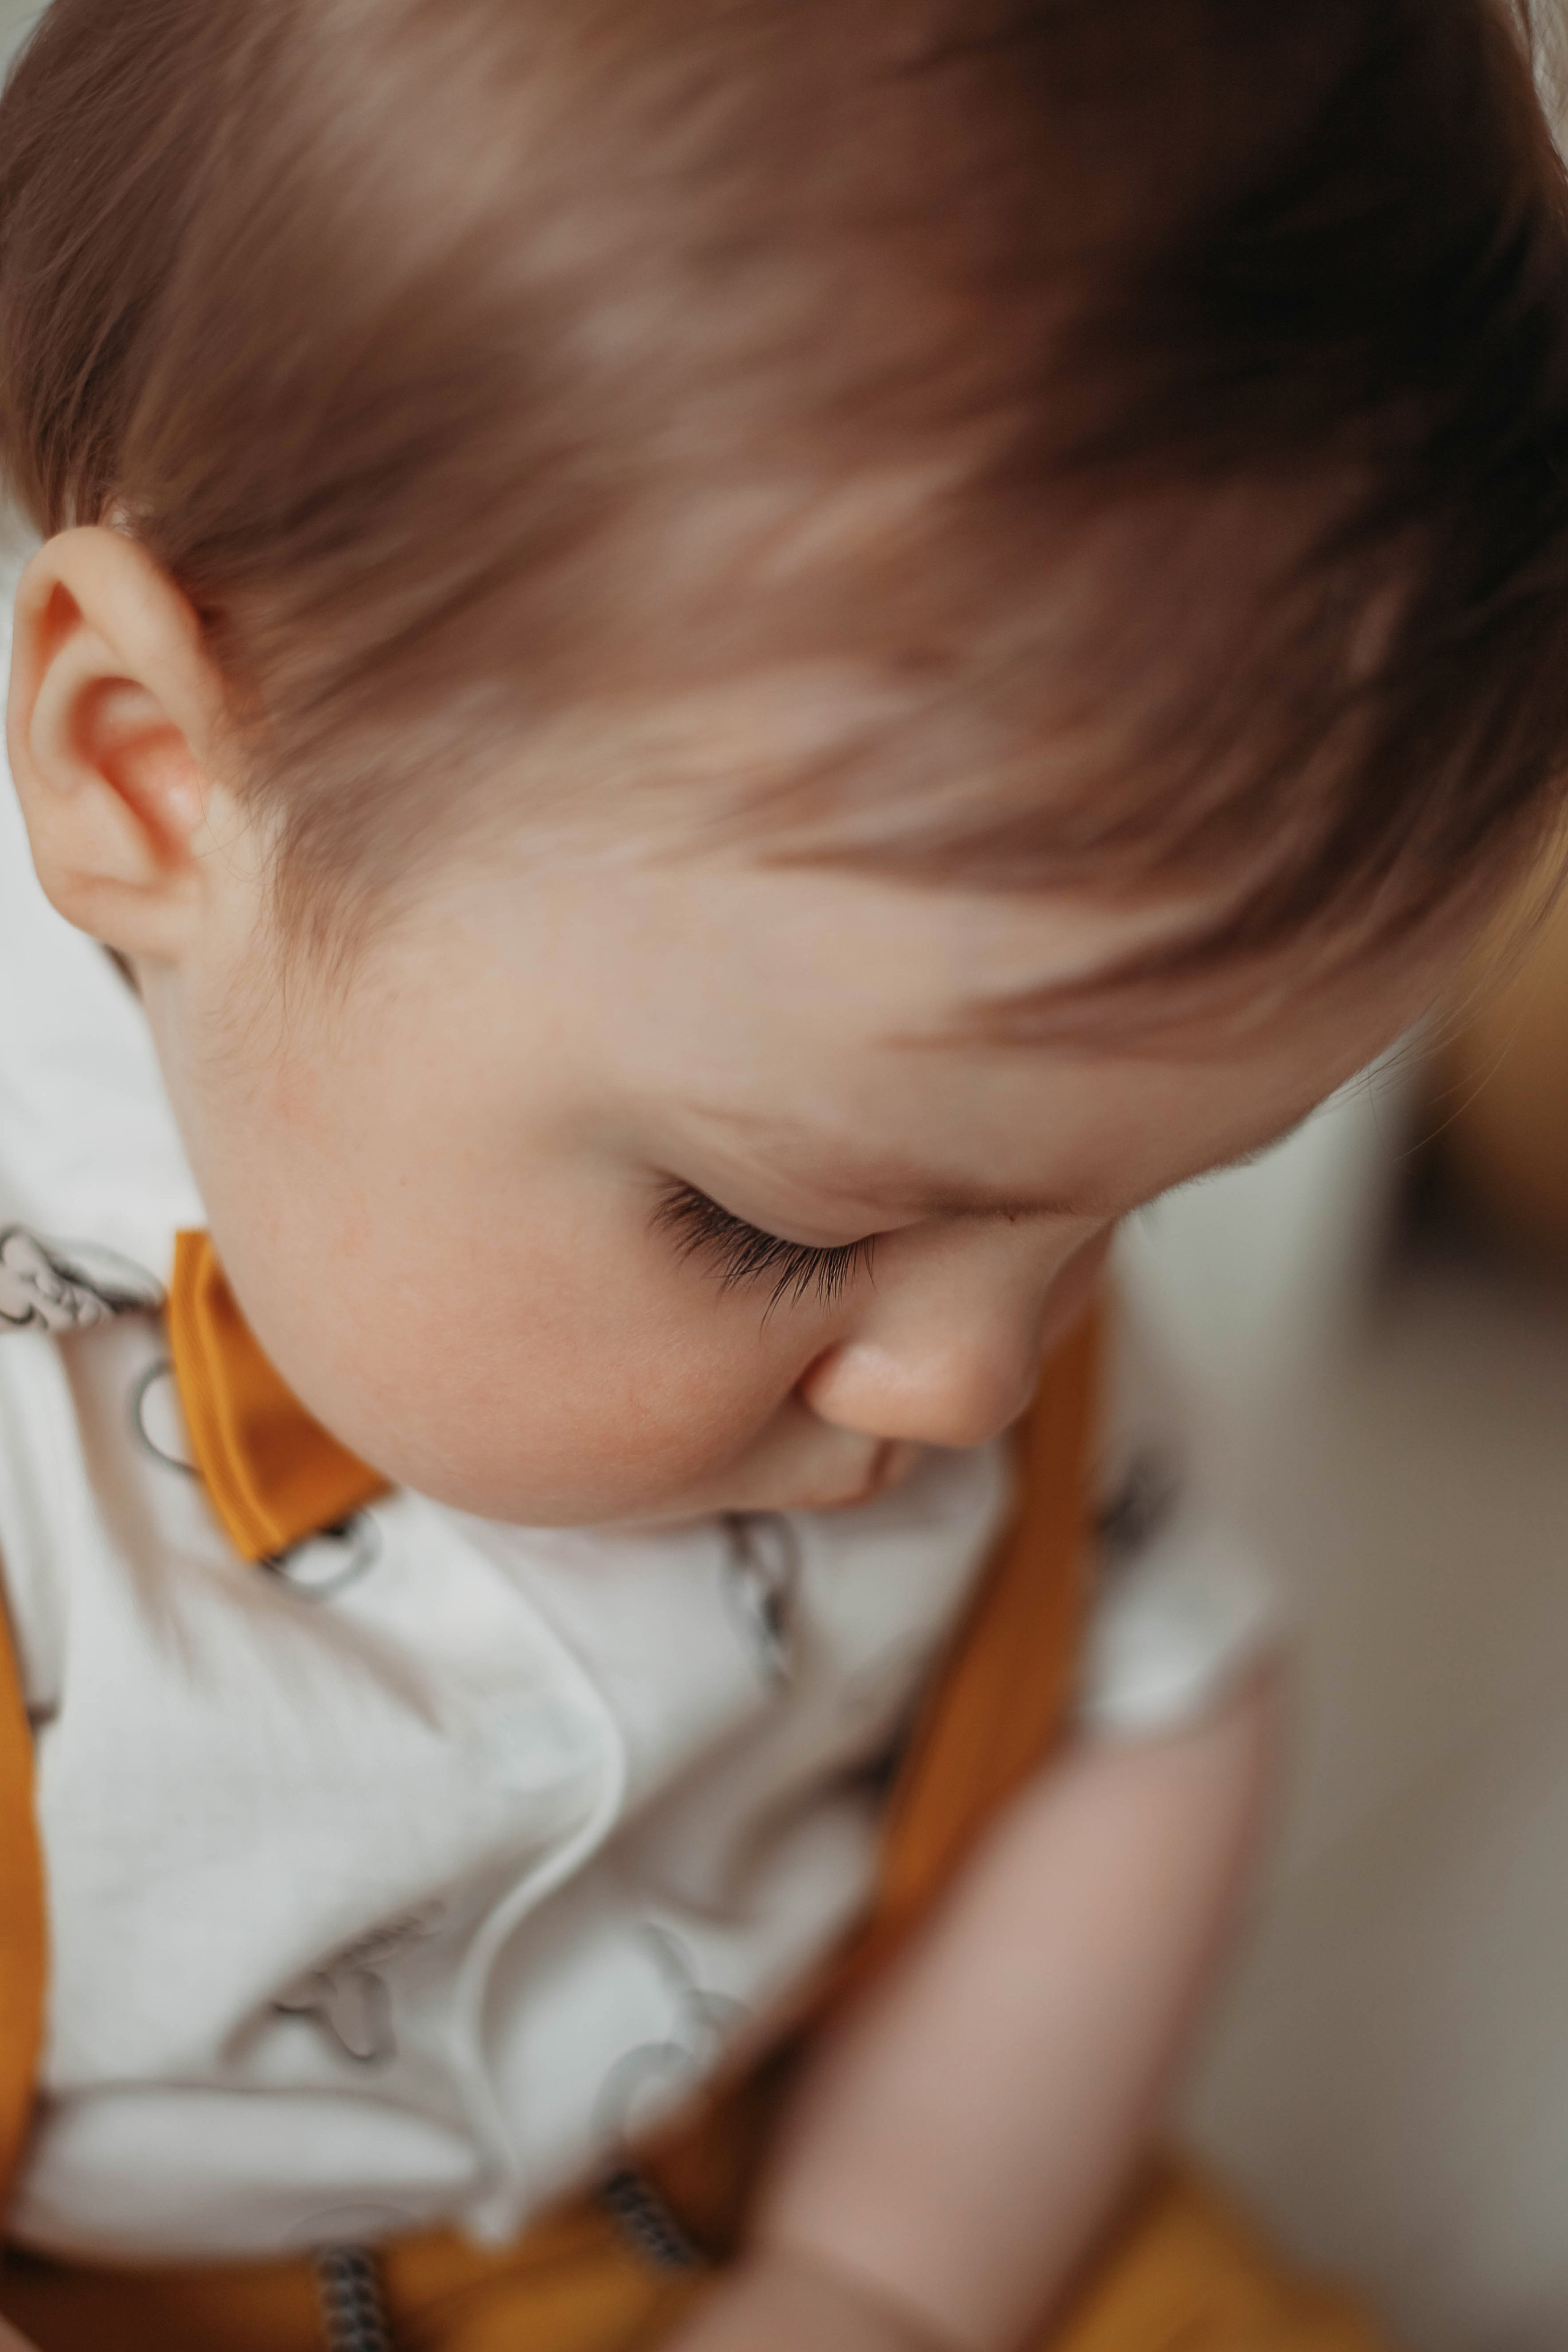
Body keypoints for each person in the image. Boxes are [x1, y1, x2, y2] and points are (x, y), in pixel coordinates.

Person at [0, 3, 1565, 2348]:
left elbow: (1139, 1716)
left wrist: (885, 2270)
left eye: (1123, 1208)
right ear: (151, 786)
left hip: (803, 2148)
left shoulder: (927, 1231)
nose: (973, 1382)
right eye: (787, 1226)